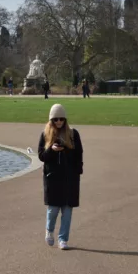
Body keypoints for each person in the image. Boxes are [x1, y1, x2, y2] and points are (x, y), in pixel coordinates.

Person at [38, 104, 83, 250]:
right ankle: (49, 231)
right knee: (53, 210)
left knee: (67, 211)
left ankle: (63, 239)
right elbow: (41, 156)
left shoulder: (73, 134)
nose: (58, 122)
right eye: (55, 119)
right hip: (53, 178)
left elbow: (78, 154)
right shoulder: (45, 134)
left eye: (61, 119)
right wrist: (51, 149)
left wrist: (67, 150)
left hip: (70, 178)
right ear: (51, 120)